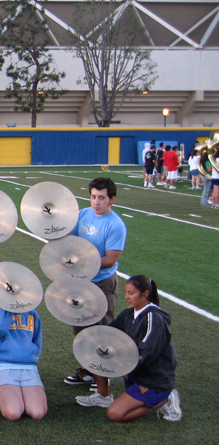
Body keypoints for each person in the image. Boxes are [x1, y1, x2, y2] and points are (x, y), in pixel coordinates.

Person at [75, 275, 181, 422]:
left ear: (145, 294)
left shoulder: (154, 319)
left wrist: (121, 366)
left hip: (153, 378)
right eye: (125, 292)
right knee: (96, 349)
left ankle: (165, 399)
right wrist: (92, 339)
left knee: (115, 414)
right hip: (136, 370)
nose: (126, 297)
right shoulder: (128, 313)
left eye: (131, 293)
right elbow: (108, 334)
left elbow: (147, 352)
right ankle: (103, 396)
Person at [64, 177, 127, 399]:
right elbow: (70, 237)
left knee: (102, 329)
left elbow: (110, 259)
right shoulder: (83, 214)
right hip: (80, 281)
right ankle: (88, 371)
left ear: (112, 199)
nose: (96, 202)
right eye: (93, 197)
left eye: (101, 198)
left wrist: (83, 260)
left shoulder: (115, 224)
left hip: (102, 281)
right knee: (80, 330)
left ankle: (104, 377)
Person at [0, 306, 46, 421]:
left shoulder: (32, 313)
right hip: (4, 366)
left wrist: (33, 357)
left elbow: (37, 339)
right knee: (13, 413)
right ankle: (3, 397)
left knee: (38, 413)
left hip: (28, 367)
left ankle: (17, 395)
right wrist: (7, 308)